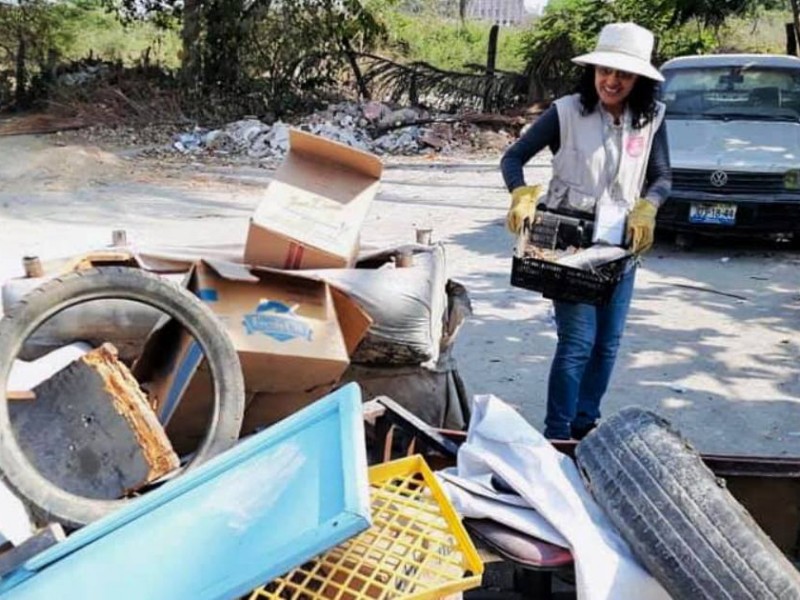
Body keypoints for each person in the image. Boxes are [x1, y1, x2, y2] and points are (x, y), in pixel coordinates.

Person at [500, 22, 672, 440]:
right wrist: (520, 194)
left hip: (620, 247)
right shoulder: (566, 112)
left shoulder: (650, 119)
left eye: (623, 75)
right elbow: (514, 157)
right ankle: (558, 433)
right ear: (592, 71)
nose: (611, 81)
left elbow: (663, 175)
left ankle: (585, 425)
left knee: (606, 345)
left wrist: (649, 206)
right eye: (604, 71)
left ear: (639, 80)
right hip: (570, 243)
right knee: (577, 342)